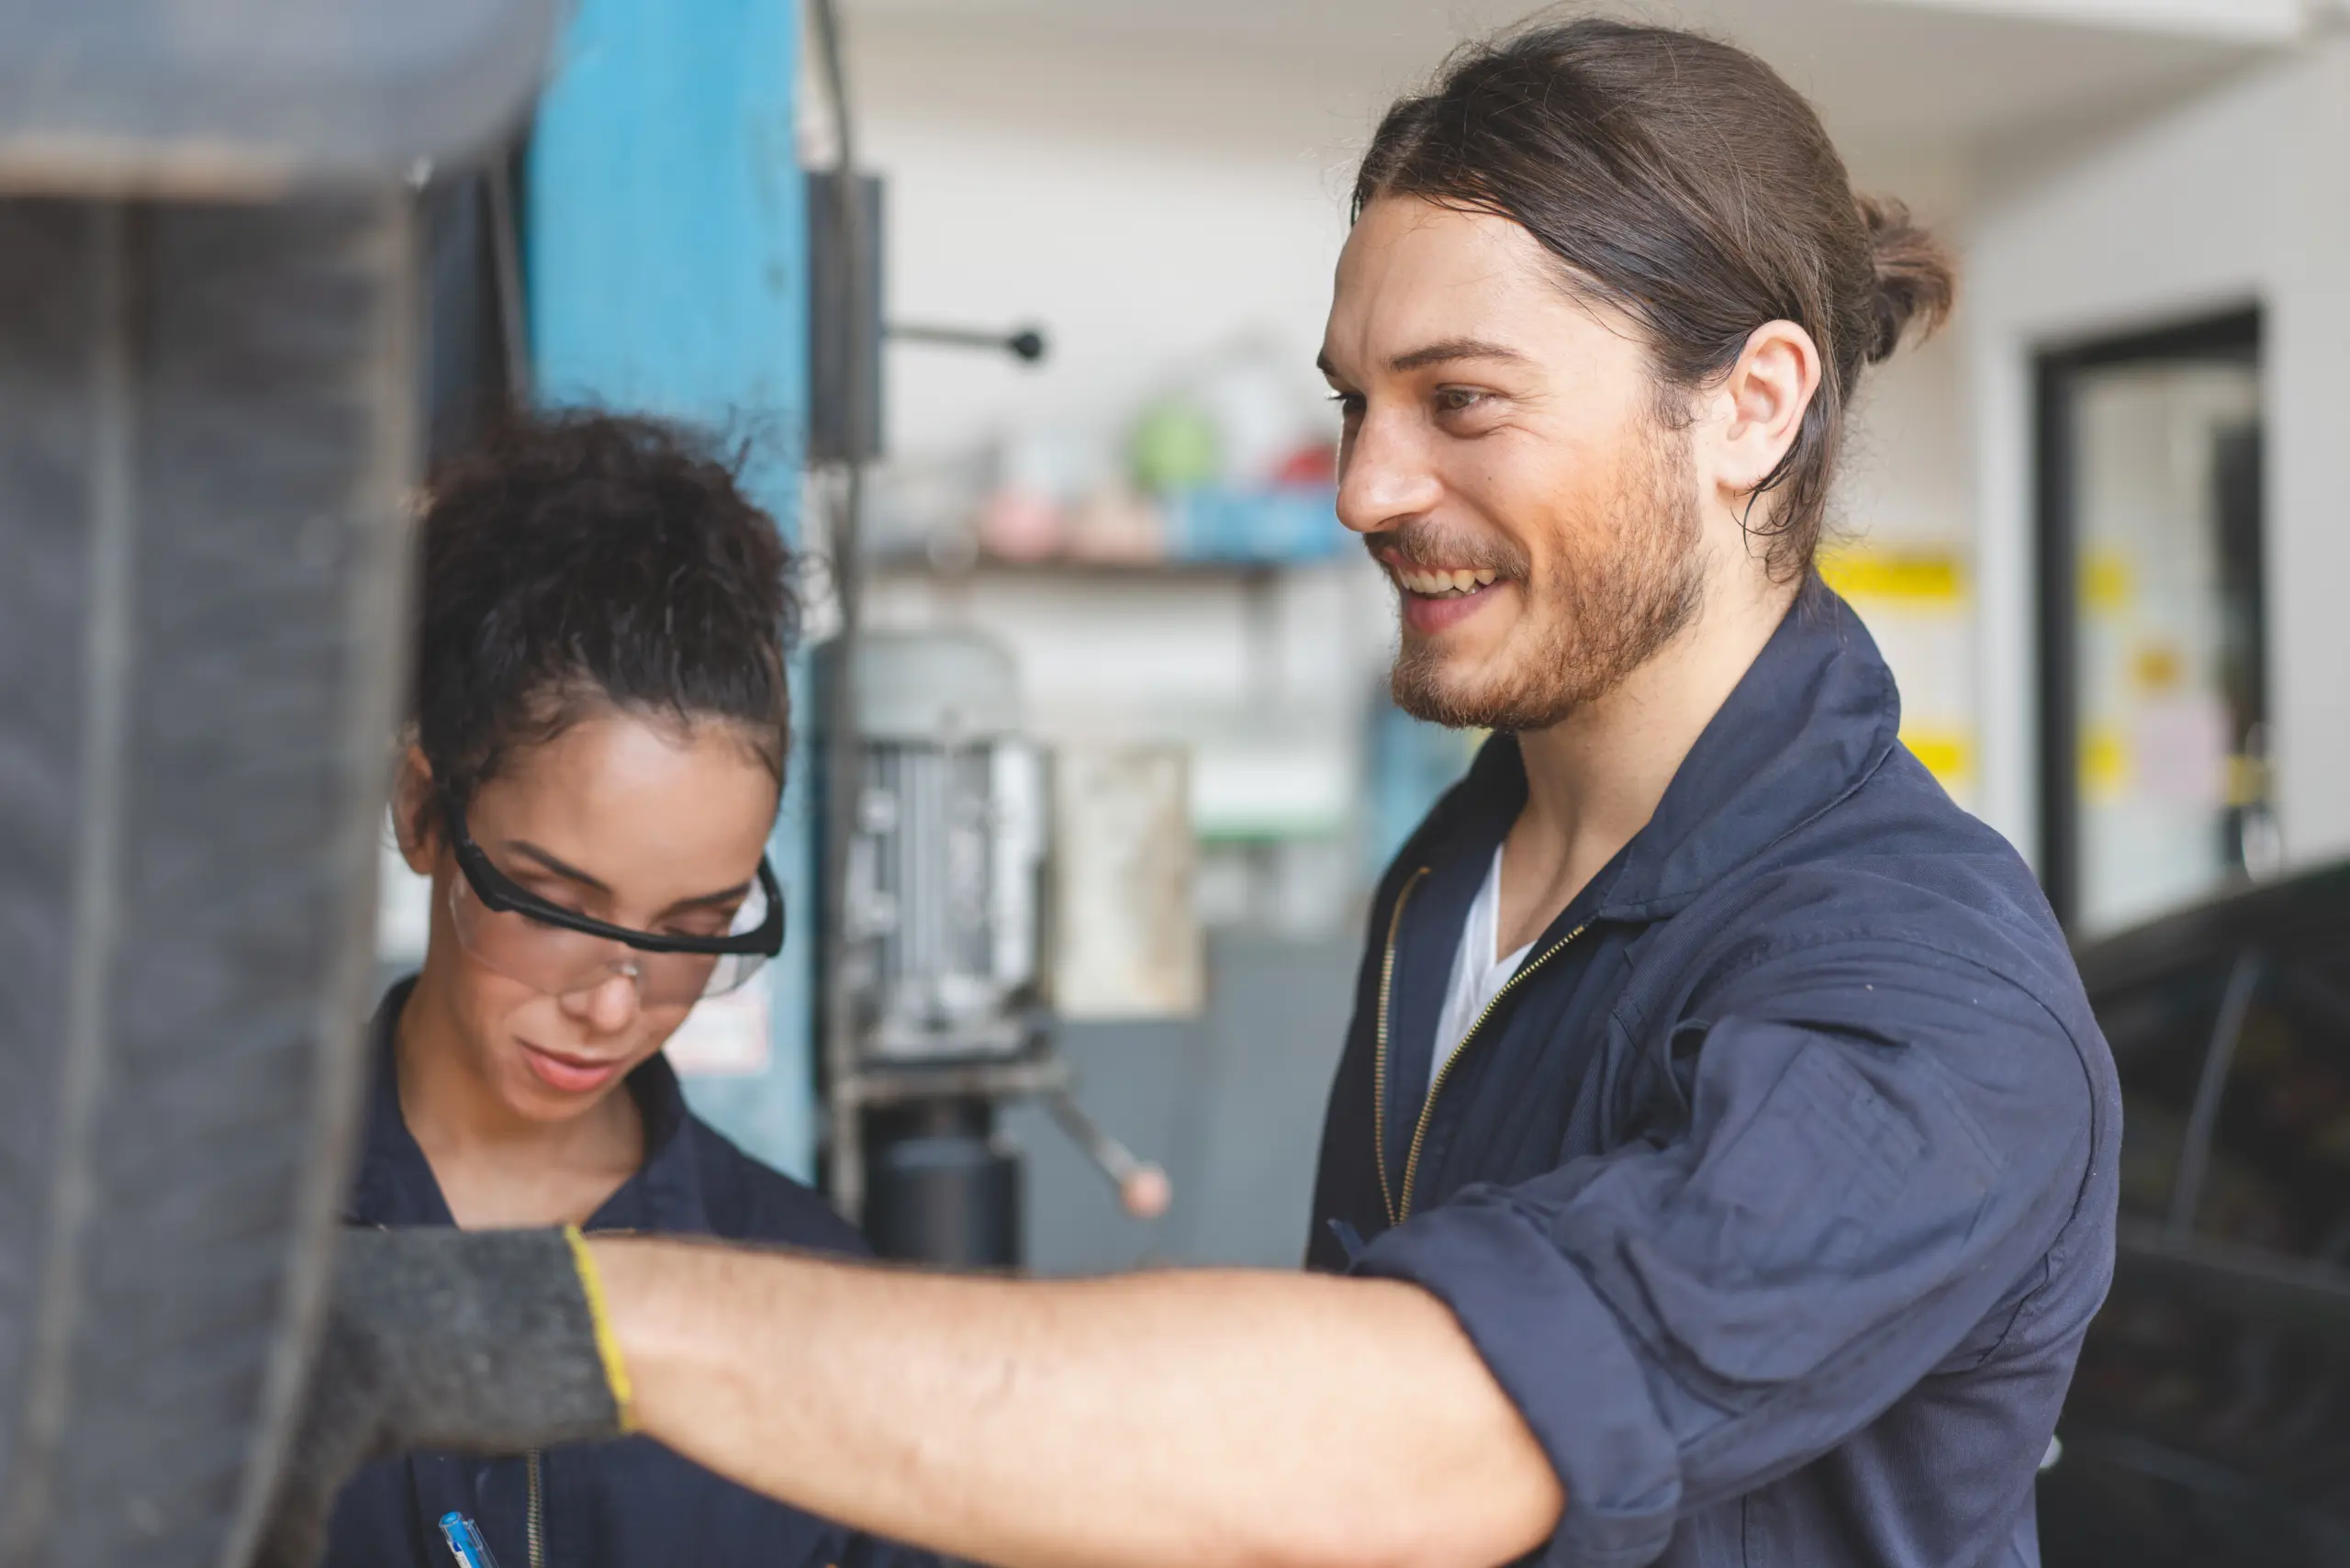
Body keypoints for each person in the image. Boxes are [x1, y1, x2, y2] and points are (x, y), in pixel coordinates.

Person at [263, 19, 2120, 1568]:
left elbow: (1440, 1429)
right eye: (1352, 402)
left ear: (1749, 405)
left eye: (1458, 400)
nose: (1363, 487)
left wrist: (546, 1315)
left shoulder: (1922, 995)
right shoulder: (1454, 872)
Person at [319, 410, 927, 1568]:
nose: (614, 1003)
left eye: (695, 929)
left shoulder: (803, 1288)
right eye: (553, 906)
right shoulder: (218, 1243)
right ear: (420, 812)